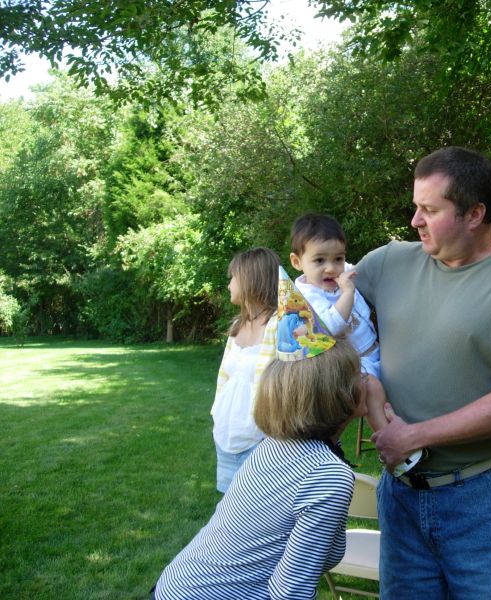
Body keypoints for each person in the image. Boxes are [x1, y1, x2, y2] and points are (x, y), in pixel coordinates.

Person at [355, 146, 491, 599]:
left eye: (430, 209)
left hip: (483, 499)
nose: (415, 220)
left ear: (474, 214)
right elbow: (321, 311)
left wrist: (414, 436)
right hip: (401, 497)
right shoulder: (387, 263)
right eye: (416, 206)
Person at [153, 281, 366, 599]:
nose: (368, 381)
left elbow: (329, 555)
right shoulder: (328, 476)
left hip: (175, 586)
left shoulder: (274, 445)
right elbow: (289, 593)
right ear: (343, 396)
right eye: (359, 375)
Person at [289, 213, 424, 474]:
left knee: (399, 388)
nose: (331, 268)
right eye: (319, 260)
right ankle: (390, 445)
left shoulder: (341, 275)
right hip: (351, 363)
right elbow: (332, 326)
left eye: (338, 258)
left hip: (376, 352)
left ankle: (415, 428)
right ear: (297, 262)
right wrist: (348, 292)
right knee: (372, 391)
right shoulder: (308, 296)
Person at [210, 247, 279, 493]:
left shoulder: (281, 325)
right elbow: (227, 381)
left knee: (259, 520)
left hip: (261, 441)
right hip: (227, 437)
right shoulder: (238, 327)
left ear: (251, 278)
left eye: (233, 277)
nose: (229, 284)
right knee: (230, 516)